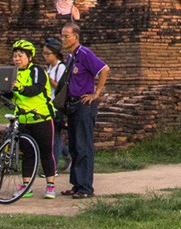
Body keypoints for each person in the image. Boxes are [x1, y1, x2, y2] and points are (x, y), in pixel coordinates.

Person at [60, 21, 109, 199]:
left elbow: (104, 69)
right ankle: (77, 184)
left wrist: (96, 93)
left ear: (76, 37)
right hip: (73, 104)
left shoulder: (85, 53)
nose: (63, 39)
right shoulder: (70, 56)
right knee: (74, 146)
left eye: (66, 36)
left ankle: (86, 188)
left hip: (84, 105)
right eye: (62, 36)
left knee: (83, 146)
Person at [9, 39, 58, 198]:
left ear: (29, 57)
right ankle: (26, 185)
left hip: (41, 117)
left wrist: (20, 88)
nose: (17, 59)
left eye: (20, 55)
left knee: (46, 151)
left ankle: (50, 185)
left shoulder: (36, 70)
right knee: (27, 153)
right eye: (15, 56)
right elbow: (11, 96)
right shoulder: (12, 73)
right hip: (23, 119)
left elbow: (35, 89)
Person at [43, 36, 69, 173]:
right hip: (48, 104)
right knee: (54, 135)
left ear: (56, 54)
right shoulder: (49, 67)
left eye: (48, 54)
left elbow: (60, 87)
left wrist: (48, 79)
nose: (46, 57)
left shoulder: (61, 67)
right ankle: (67, 154)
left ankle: (53, 166)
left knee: (55, 135)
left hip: (57, 105)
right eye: (44, 54)